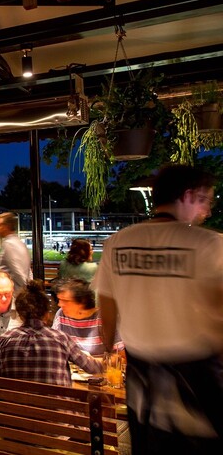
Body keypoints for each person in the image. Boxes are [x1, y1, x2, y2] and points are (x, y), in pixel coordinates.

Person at [94, 164, 223, 453]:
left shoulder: (116, 244)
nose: (208, 211)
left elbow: (108, 308)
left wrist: (107, 352)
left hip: (142, 378)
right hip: (197, 377)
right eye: (205, 201)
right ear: (188, 196)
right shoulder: (210, 245)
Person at [0, 280, 102, 387]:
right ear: (47, 314)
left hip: (13, 405)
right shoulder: (61, 339)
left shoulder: (4, 340)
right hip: (57, 405)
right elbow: (94, 368)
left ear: (20, 315)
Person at [52, 278, 122, 357]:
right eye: (59, 300)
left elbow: (120, 357)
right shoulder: (61, 315)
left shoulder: (103, 318)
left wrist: (88, 361)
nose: (60, 304)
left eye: (65, 301)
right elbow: (53, 347)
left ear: (82, 301)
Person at [0, 212, 32, 294]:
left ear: (7, 226)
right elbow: (28, 271)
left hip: (13, 293)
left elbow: (17, 270)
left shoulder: (9, 244)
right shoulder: (19, 243)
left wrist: (26, 291)